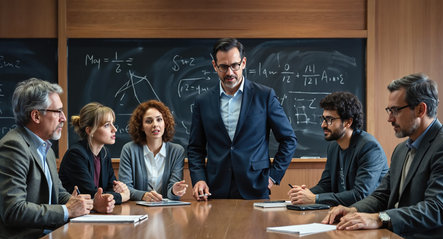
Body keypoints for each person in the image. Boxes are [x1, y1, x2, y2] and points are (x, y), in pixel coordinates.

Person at [322, 73, 443, 239]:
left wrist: (380, 218)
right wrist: (353, 209)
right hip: (395, 238)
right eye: (389, 110)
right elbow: (383, 195)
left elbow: (436, 209)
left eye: (395, 110)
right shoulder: (401, 149)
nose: (390, 118)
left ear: (421, 109)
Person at [188, 38, 297, 200]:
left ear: (243, 63)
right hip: (215, 189)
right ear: (214, 66)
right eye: (223, 67)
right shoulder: (202, 101)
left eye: (234, 65)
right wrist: (199, 179)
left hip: (256, 187)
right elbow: (195, 148)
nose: (230, 72)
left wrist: (273, 176)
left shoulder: (264, 96)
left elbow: (288, 139)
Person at [0, 78, 101, 239]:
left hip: (48, 237)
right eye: (58, 111)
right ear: (36, 116)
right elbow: (13, 210)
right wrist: (67, 210)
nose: (64, 118)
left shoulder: (45, 147)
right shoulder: (14, 147)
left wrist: (88, 204)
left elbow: (59, 194)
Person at [288, 92, 388, 206]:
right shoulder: (334, 146)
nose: (323, 125)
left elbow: (360, 195)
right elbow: (326, 184)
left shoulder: (369, 148)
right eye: (323, 119)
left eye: (329, 119)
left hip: (369, 215)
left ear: (348, 122)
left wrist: (314, 198)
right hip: (343, 212)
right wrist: (305, 193)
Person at [59, 102, 130, 206]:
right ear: (90, 130)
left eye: (112, 124)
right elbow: (92, 194)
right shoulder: (75, 155)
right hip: (75, 216)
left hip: (94, 213)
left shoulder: (104, 154)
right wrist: (122, 196)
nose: (114, 129)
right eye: (107, 125)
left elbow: (112, 187)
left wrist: (117, 189)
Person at [118, 100, 187, 201]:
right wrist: (143, 195)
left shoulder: (177, 151)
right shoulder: (129, 150)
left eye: (159, 119)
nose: (155, 124)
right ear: (141, 126)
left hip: (167, 211)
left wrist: (174, 191)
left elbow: (173, 193)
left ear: (165, 123)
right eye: (149, 121)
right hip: (137, 210)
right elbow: (125, 188)